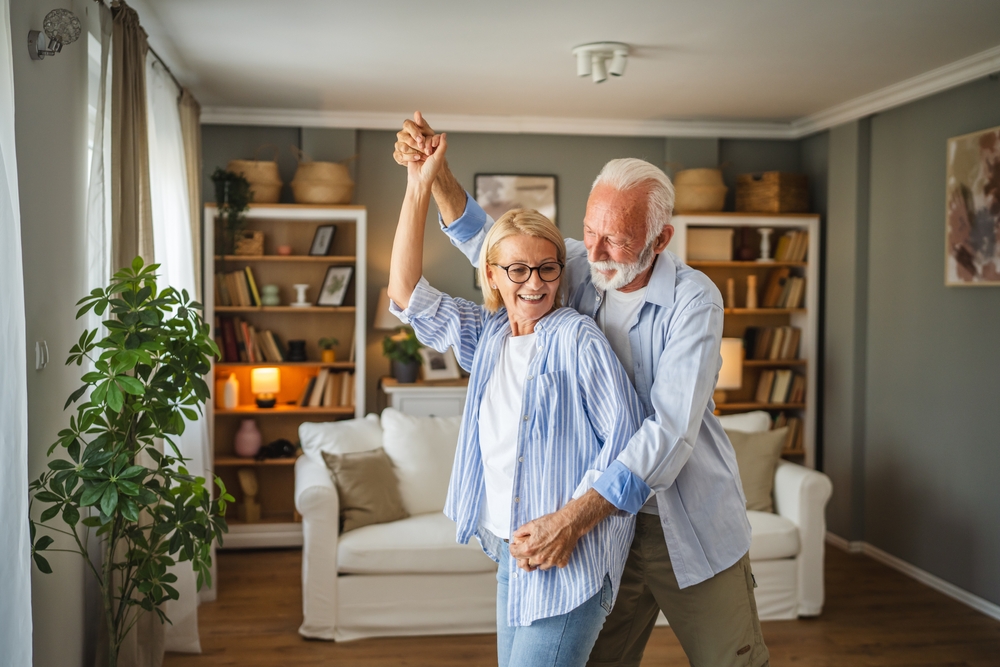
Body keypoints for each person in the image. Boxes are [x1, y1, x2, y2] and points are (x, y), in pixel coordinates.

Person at [394, 113, 770, 667]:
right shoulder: (572, 263)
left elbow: (668, 431)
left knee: (733, 661)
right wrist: (435, 174)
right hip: (601, 532)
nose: (593, 252)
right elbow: (491, 245)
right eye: (589, 230)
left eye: (615, 239)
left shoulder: (695, 301)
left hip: (681, 519)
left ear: (660, 239)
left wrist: (572, 519)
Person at [387, 132, 644, 667]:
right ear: (492, 275)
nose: (534, 283)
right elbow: (405, 294)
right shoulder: (489, 336)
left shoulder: (577, 338)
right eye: (518, 269)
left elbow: (628, 441)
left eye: (548, 268)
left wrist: (570, 525)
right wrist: (418, 186)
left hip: (569, 556)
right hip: (510, 551)